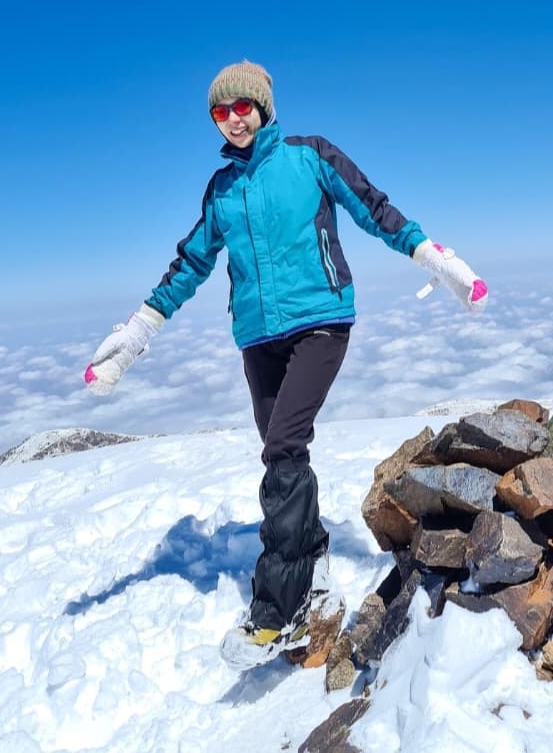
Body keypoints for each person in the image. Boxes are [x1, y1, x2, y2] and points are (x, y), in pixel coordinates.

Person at [83, 60, 488, 668]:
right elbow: (191, 263)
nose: (233, 119)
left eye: (242, 106)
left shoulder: (309, 156)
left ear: (263, 108)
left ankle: (280, 605)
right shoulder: (222, 189)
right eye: (221, 112)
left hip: (321, 322)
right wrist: (137, 332)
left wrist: (434, 259)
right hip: (257, 339)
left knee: (282, 450)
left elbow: (373, 209)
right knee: (283, 453)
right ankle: (312, 551)